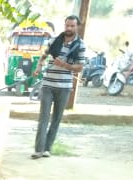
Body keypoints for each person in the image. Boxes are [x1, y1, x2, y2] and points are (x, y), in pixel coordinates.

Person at [31, 16, 85, 159]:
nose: (69, 28)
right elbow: (44, 56)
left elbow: (79, 67)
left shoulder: (80, 45)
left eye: (72, 26)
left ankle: (47, 148)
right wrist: (38, 67)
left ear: (77, 27)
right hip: (48, 84)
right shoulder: (54, 40)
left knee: (56, 119)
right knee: (43, 117)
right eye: (67, 25)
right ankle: (38, 149)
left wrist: (65, 65)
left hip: (64, 87)